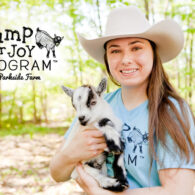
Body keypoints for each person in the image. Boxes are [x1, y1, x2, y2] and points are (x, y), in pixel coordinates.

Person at [50, 6, 195, 195]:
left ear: (153, 53)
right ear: (107, 59)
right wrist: (70, 153)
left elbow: (178, 191)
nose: (126, 59)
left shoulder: (172, 111)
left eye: (136, 48)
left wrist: (101, 193)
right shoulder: (97, 105)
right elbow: (57, 173)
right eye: (115, 51)